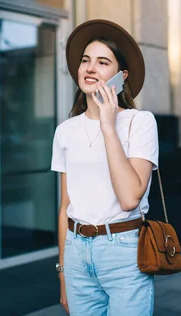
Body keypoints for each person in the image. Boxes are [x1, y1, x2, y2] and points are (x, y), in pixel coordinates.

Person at [51, 19, 159, 315]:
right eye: (85, 60)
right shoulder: (65, 131)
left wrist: (109, 126)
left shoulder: (140, 122)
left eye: (102, 62)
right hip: (76, 253)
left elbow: (128, 198)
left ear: (121, 76)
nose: (90, 68)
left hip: (123, 251)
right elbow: (65, 206)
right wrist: (63, 272)